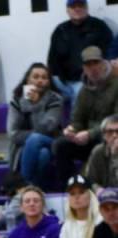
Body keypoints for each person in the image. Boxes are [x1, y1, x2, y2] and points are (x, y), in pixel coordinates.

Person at [51, 47, 118, 187]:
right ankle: (71, 189)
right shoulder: (83, 90)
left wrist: (90, 133)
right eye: (88, 64)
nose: (93, 68)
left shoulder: (116, 84)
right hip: (88, 138)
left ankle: (93, 186)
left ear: (103, 63)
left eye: (95, 63)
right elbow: (77, 119)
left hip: (111, 136)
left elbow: (116, 119)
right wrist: (72, 130)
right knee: (60, 145)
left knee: (104, 140)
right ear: (84, 68)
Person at [7, 63, 63, 187]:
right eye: (36, 77)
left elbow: (48, 128)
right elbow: (12, 133)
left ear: (49, 81)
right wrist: (30, 141)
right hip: (23, 147)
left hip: (51, 141)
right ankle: (35, 187)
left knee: (36, 138)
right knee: (42, 154)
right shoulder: (17, 100)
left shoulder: (55, 99)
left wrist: (36, 105)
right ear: (27, 79)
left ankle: (22, 186)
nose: (40, 81)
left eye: (44, 78)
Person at [47, 0, 113, 105]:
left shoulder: (99, 27)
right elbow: (51, 59)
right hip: (63, 82)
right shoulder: (60, 30)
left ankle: (76, 120)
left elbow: (110, 54)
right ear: (67, 10)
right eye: (73, 6)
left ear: (86, 8)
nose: (77, 9)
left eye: (80, 5)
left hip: (89, 80)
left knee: (79, 92)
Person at [85, 114, 118, 188]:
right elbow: (90, 180)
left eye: (117, 131)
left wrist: (115, 156)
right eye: (110, 132)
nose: (114, 135)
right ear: (104, 135)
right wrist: (98, 190)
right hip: (106, 196)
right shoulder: (98, 152)